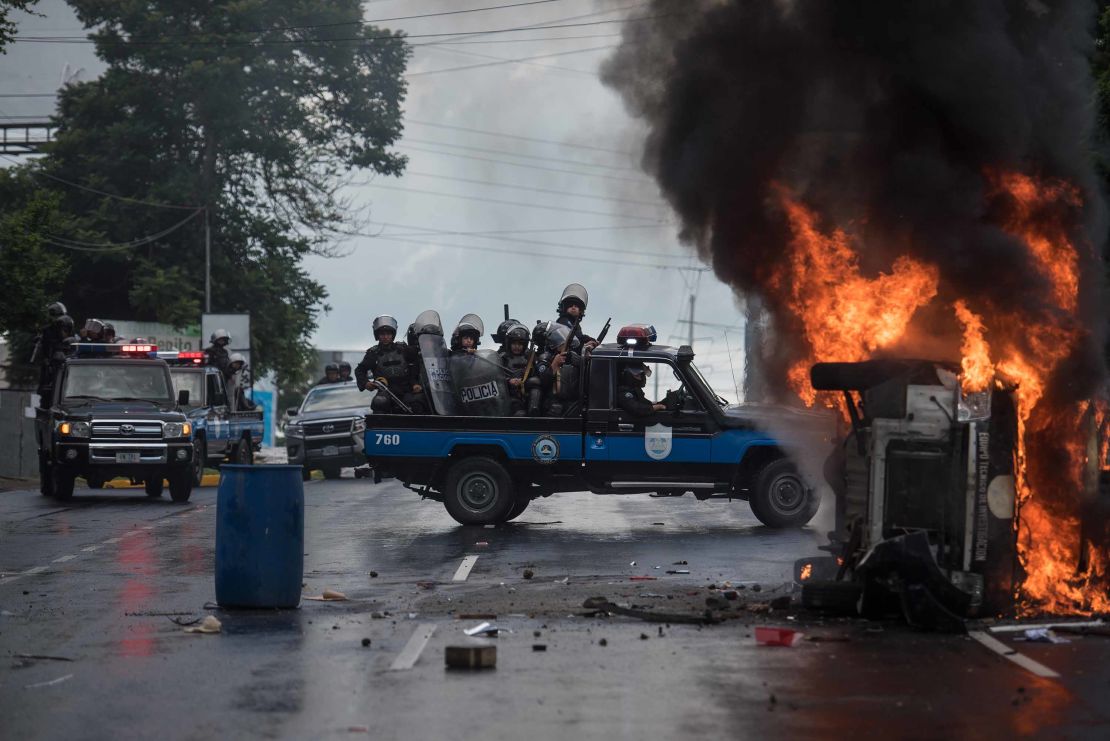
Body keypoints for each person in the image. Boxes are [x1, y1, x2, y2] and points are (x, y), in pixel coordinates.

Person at [355, 315, 425, 414]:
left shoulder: (403, 349)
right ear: (377, 335)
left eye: (388, 334)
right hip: (385, 390)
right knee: (379, 402)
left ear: (393, 335)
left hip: (406, 389)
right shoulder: (373, 353)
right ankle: (381, 429)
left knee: (418, 403)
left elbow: (418, 361)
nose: (385, 337)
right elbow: (359, 370)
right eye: (382, 334)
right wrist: (365, 383)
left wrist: (415, 383)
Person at [32, 304, 75, 403]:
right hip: (50, 373)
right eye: (62, 328)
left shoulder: (72, 340)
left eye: (66, 329)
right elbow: (41, 354)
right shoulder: (46, 332)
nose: (63, 332)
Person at [553, 283, 597, 356]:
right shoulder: (564, 320)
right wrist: (588, 340)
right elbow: (574, 338)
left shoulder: (575, 324)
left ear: (580, 310)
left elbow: (577, 340)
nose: (573, 307)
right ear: (565, 308)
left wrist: (590, 342)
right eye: (570, 305)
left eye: (576, 306)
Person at [497, 322, 530, 416]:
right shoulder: (502, 358)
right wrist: (509, 381)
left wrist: (525, 381)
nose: (517, 346)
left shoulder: (529, 358)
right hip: (508, 395)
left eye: (520, 344)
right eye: (514, 343)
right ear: (509, 343)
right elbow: (496, 376)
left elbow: (535, 375)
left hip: (526, 394)